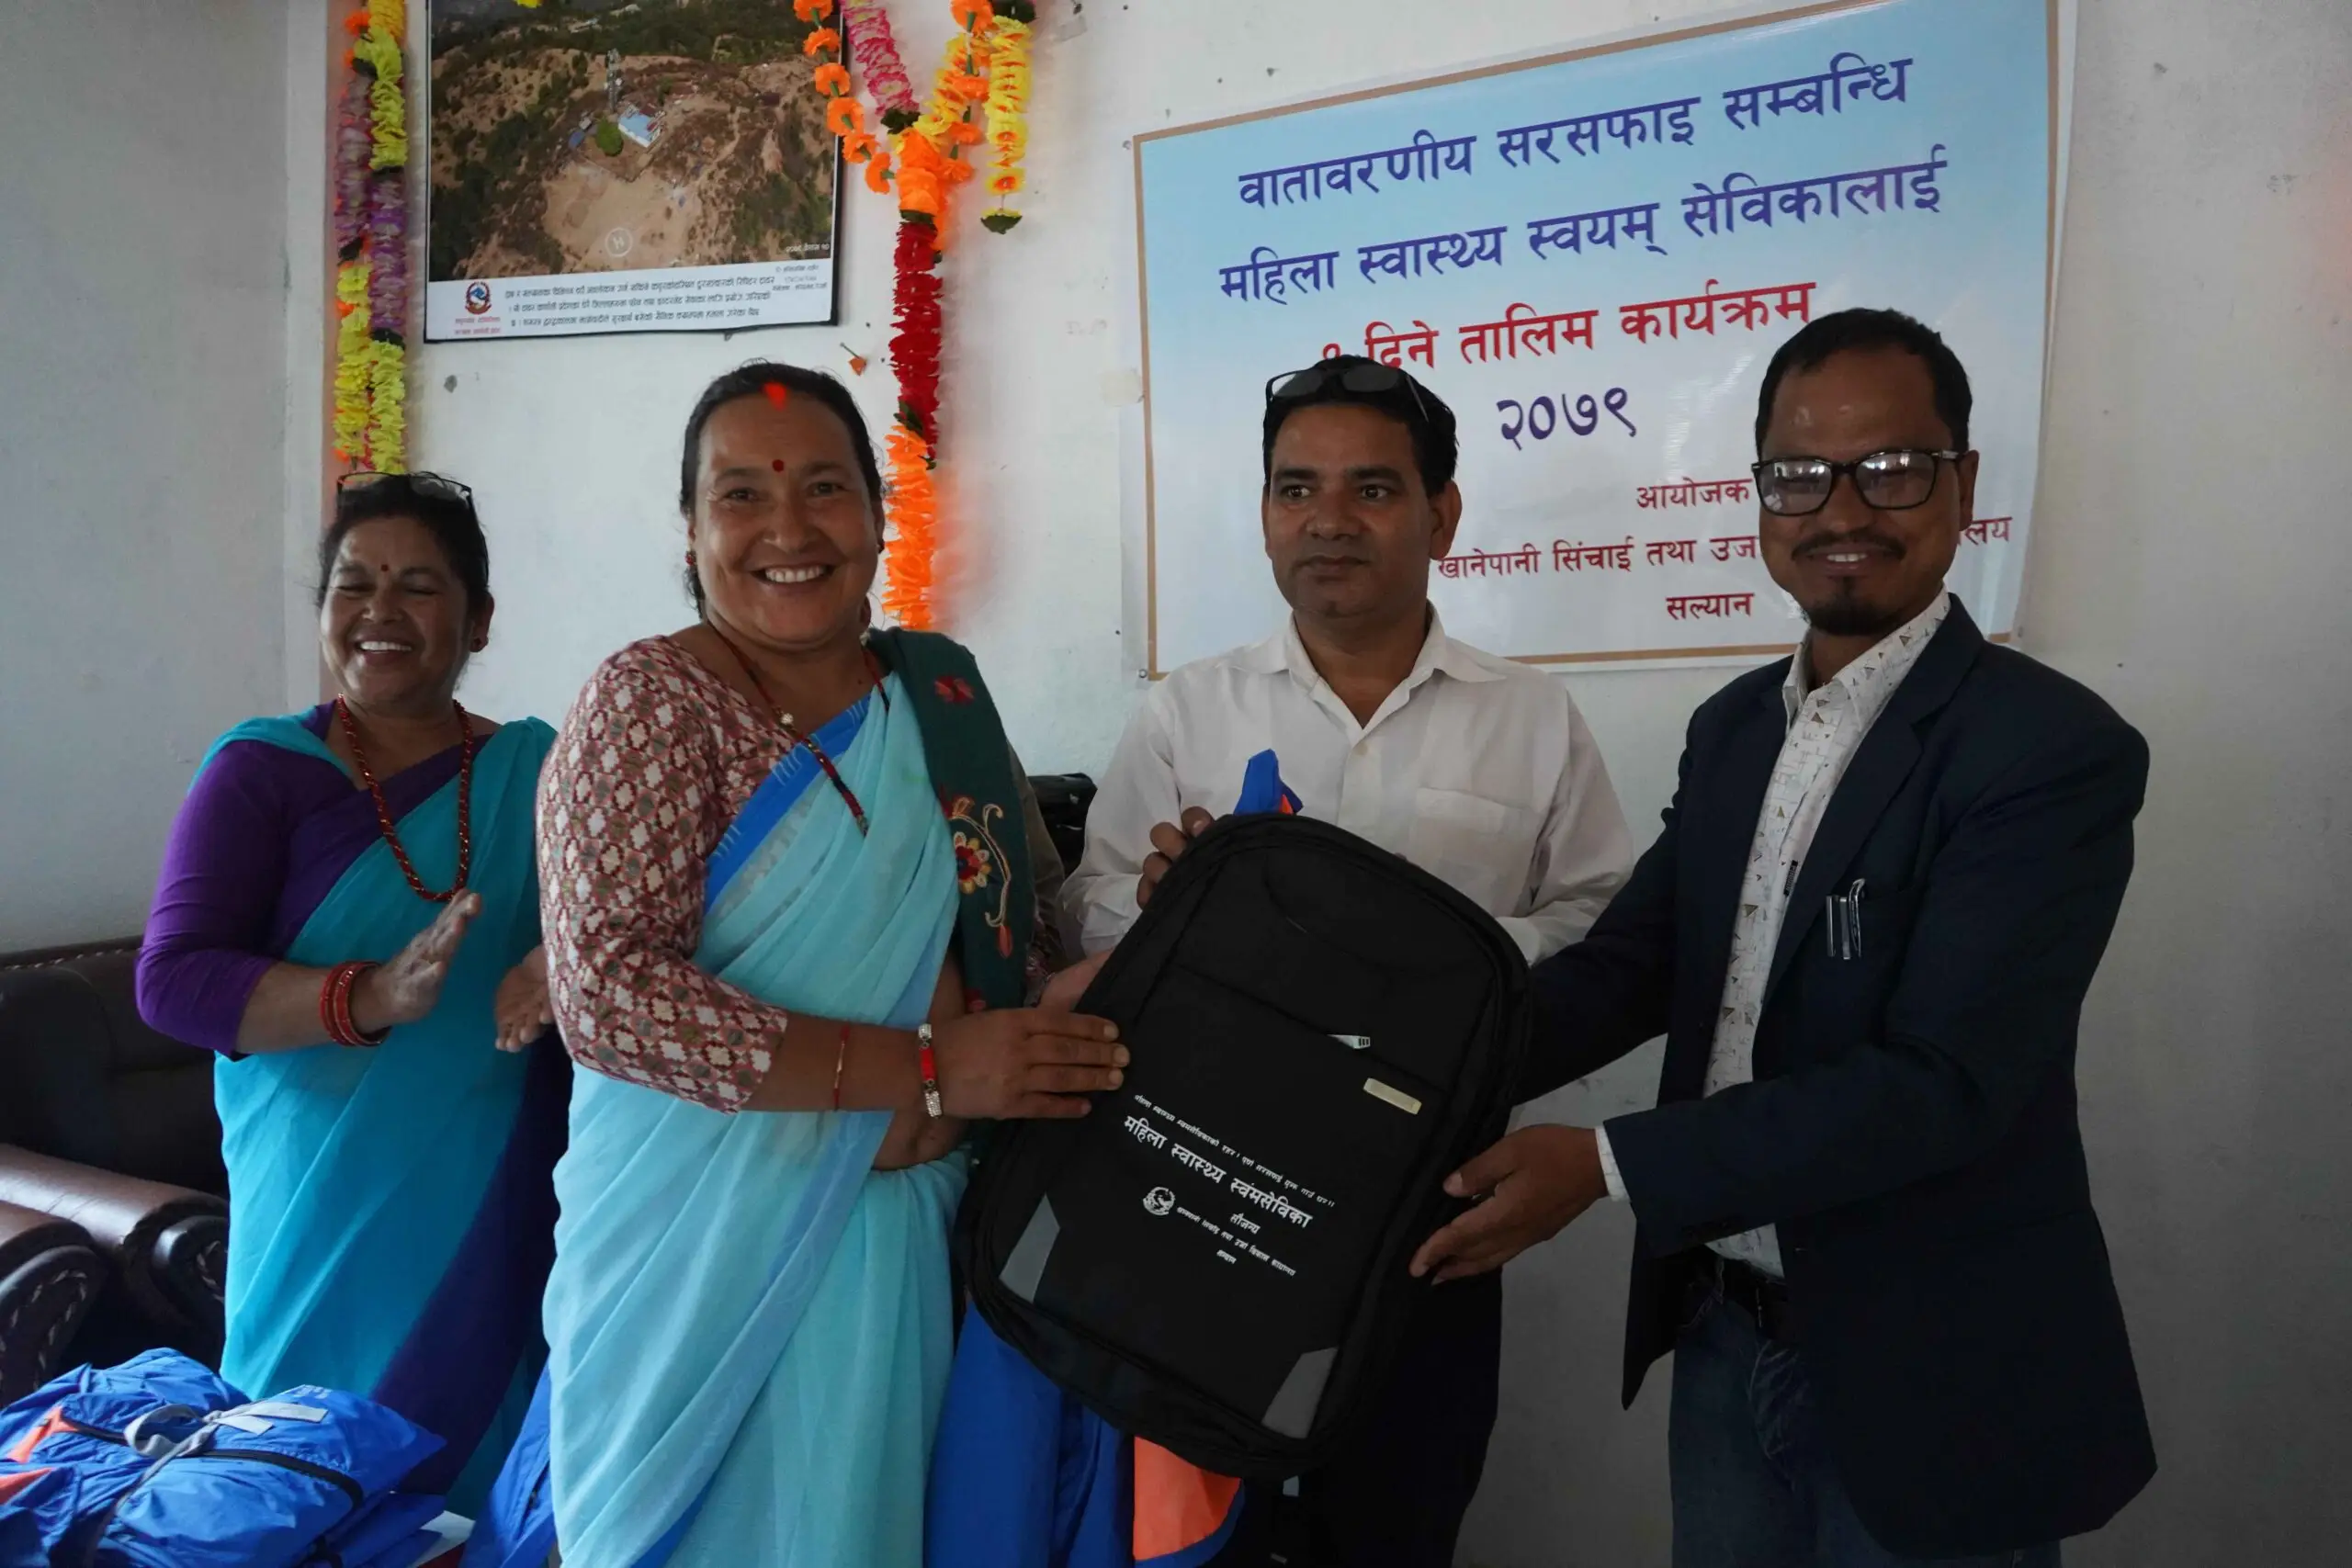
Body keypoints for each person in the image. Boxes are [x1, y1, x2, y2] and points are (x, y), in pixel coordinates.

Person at [1411, 310, 2157, 1566]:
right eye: (1800, 473)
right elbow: (1630, 968)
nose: (1842, 509)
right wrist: (1392, 1066)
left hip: (1930, 1369)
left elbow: (1944, 1083)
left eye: (1893, 467)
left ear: (1964, 481)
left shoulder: (2046, 749)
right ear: (1761, 492)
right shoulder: (1734, 729)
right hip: (1725, 1331)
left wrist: (1603, 1164)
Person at [492, 362, 1122, 1568]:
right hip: (698, 1251)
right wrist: (924, 1070)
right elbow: (612, 995)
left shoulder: (942, 697)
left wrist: (1113, 980)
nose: (788, 529)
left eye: (825, 488)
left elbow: (1017, 947)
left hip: (914, 1243)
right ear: (690, 529)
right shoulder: (649, 701)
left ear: (880, 515)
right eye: (741, 494)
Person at [1057, 355, 1635, 1566]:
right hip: (1203, 1185)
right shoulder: (1190, 710)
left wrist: (1438, 969)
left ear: (1442, 513)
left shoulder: (1529, 718)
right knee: (1194, 1530)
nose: (1328, 520)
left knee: (1395, 1517)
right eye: (1296, 488)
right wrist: (1162, 907)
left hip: (1429, 1206)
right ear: (1267, 513)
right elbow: (1088, 904)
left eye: (1372, 488)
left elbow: (1603, 918)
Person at [137, 471, 566, 1511]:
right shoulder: (261, 769)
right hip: (317, 1192)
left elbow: (627, 925)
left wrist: (560, 962)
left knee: (480, 1481)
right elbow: (172, 981)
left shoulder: (538, 768)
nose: (380, 610)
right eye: (354, 584)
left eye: (418, 586)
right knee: (296, 1479)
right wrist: (366, 995)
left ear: (479, 619)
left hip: (496, 1189)